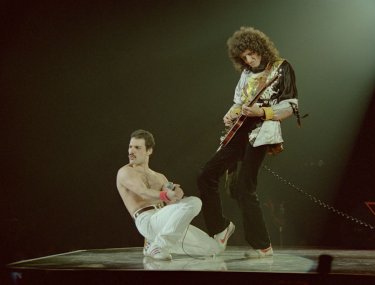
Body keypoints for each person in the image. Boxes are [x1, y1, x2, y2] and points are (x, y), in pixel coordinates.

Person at [197, 26, 299, 258]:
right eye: (245, 57)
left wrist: (261, 112)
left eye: (252, 54)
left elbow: (291, 106)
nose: (250, 60)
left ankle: (263, 246)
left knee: (245, 187)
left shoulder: (282, 68)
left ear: (261, 48)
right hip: (238, 131)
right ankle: (220, 229)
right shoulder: (245, 74)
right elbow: (238, 102)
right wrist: (230, 113)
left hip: (262, 131)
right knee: (206, 174)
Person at [117, 129, 221, 261]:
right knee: (195, 202)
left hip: (166, 224)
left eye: (137, 147)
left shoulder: (160, 177)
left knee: (213, 248)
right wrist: (167, 194)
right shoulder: (125, 172)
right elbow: (143, 192)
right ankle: (159, 245)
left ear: (149, 151)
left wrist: (177, 194)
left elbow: (174, 201)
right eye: (130, 146)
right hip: (147, 221)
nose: (131, 151)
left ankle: (154, 244)